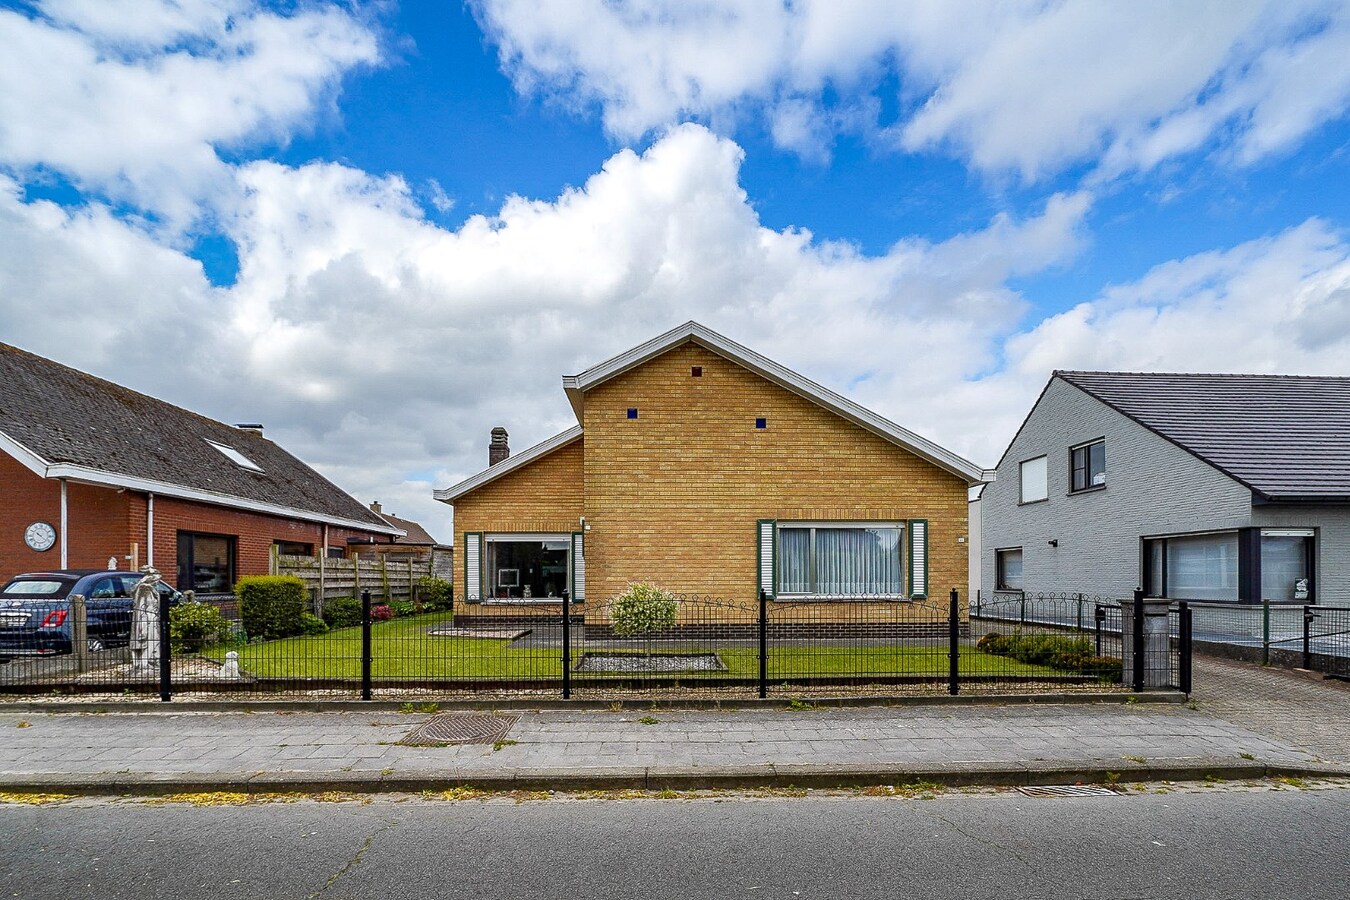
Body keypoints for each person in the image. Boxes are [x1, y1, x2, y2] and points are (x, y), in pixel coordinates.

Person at [129, 566, 162, 672]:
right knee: (149, 641)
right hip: (148, 619)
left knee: (154, 641)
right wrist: (143, 626)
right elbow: (142, 608)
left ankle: (151, 661)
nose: (157, 583)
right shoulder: (145, 589)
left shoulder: (148, 589)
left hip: (152, 618)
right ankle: (145, 663)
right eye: (156, 580)